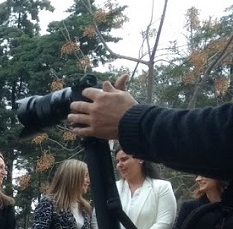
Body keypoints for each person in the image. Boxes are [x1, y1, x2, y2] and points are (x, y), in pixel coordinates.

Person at [68, 74, 233, 179]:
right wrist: (131, 123)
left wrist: (132, 121)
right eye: (119, 160)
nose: (120, 164)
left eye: (125, 158)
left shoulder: (160, 188)